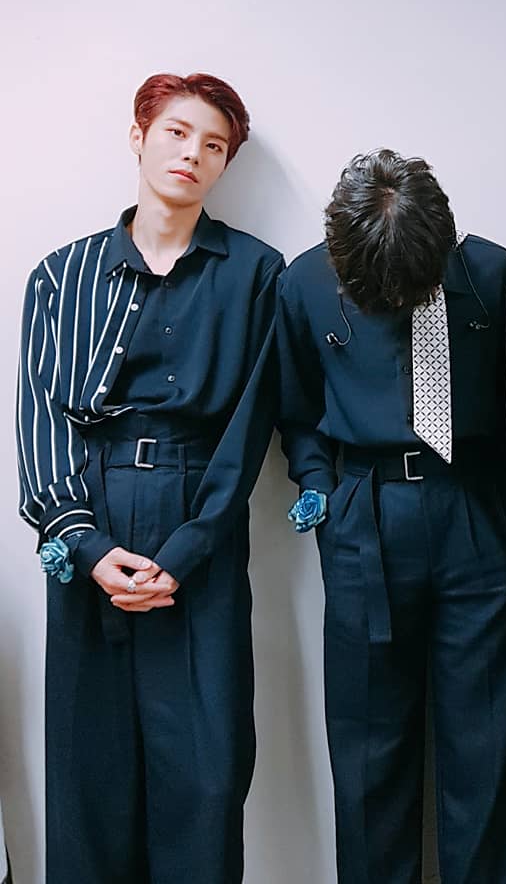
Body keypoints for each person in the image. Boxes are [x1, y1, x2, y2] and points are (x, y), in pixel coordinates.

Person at [15, 73, 283, 883]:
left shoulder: (257, 274)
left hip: (198, 521)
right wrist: (86, 544)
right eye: (176, 132)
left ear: (224, 164)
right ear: (139, 137)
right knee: (89, 776)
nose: (192, 153)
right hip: (90, 518)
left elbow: (249, 429)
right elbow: (41, 417)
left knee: (204, 774)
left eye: (213, 145)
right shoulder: (61, 275)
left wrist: (191, 547)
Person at [275, 148, 506, 884]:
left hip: (474, 509)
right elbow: (295, 407)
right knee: (369, 754)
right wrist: (322, 490)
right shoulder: (304, 281)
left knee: (486, 746)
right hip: (365, 514)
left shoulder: (495, 273)